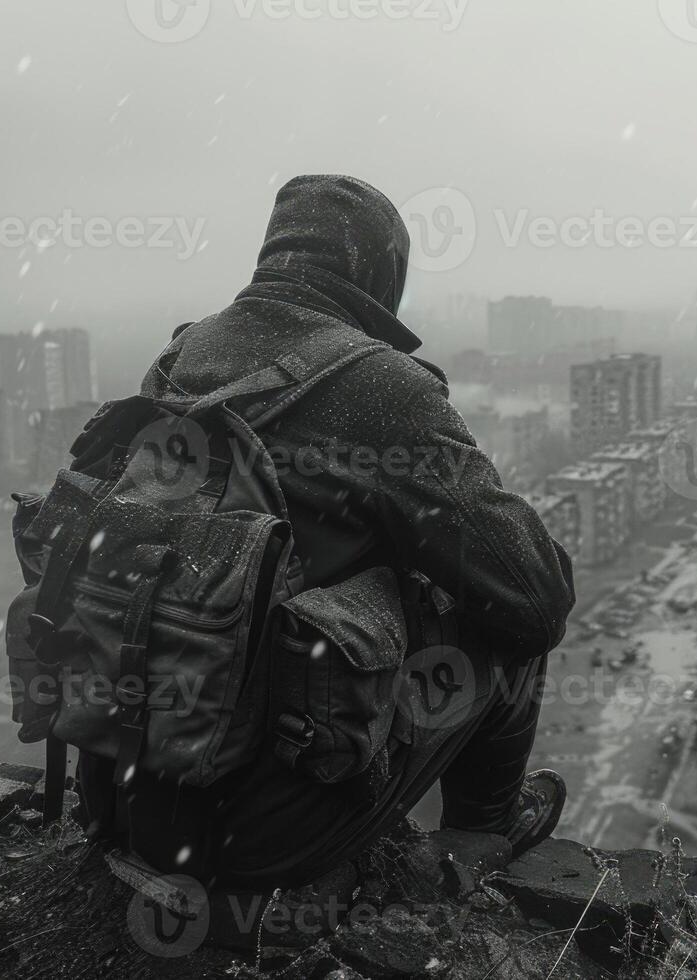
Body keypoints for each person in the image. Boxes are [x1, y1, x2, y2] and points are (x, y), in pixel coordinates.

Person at [76, 175, 576, 920]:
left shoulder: (180, 360)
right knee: (498, 616)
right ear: (383, 276)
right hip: (262, 841)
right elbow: (534, 600)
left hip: (126, 804)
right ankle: (480, 836)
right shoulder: (379, 386)